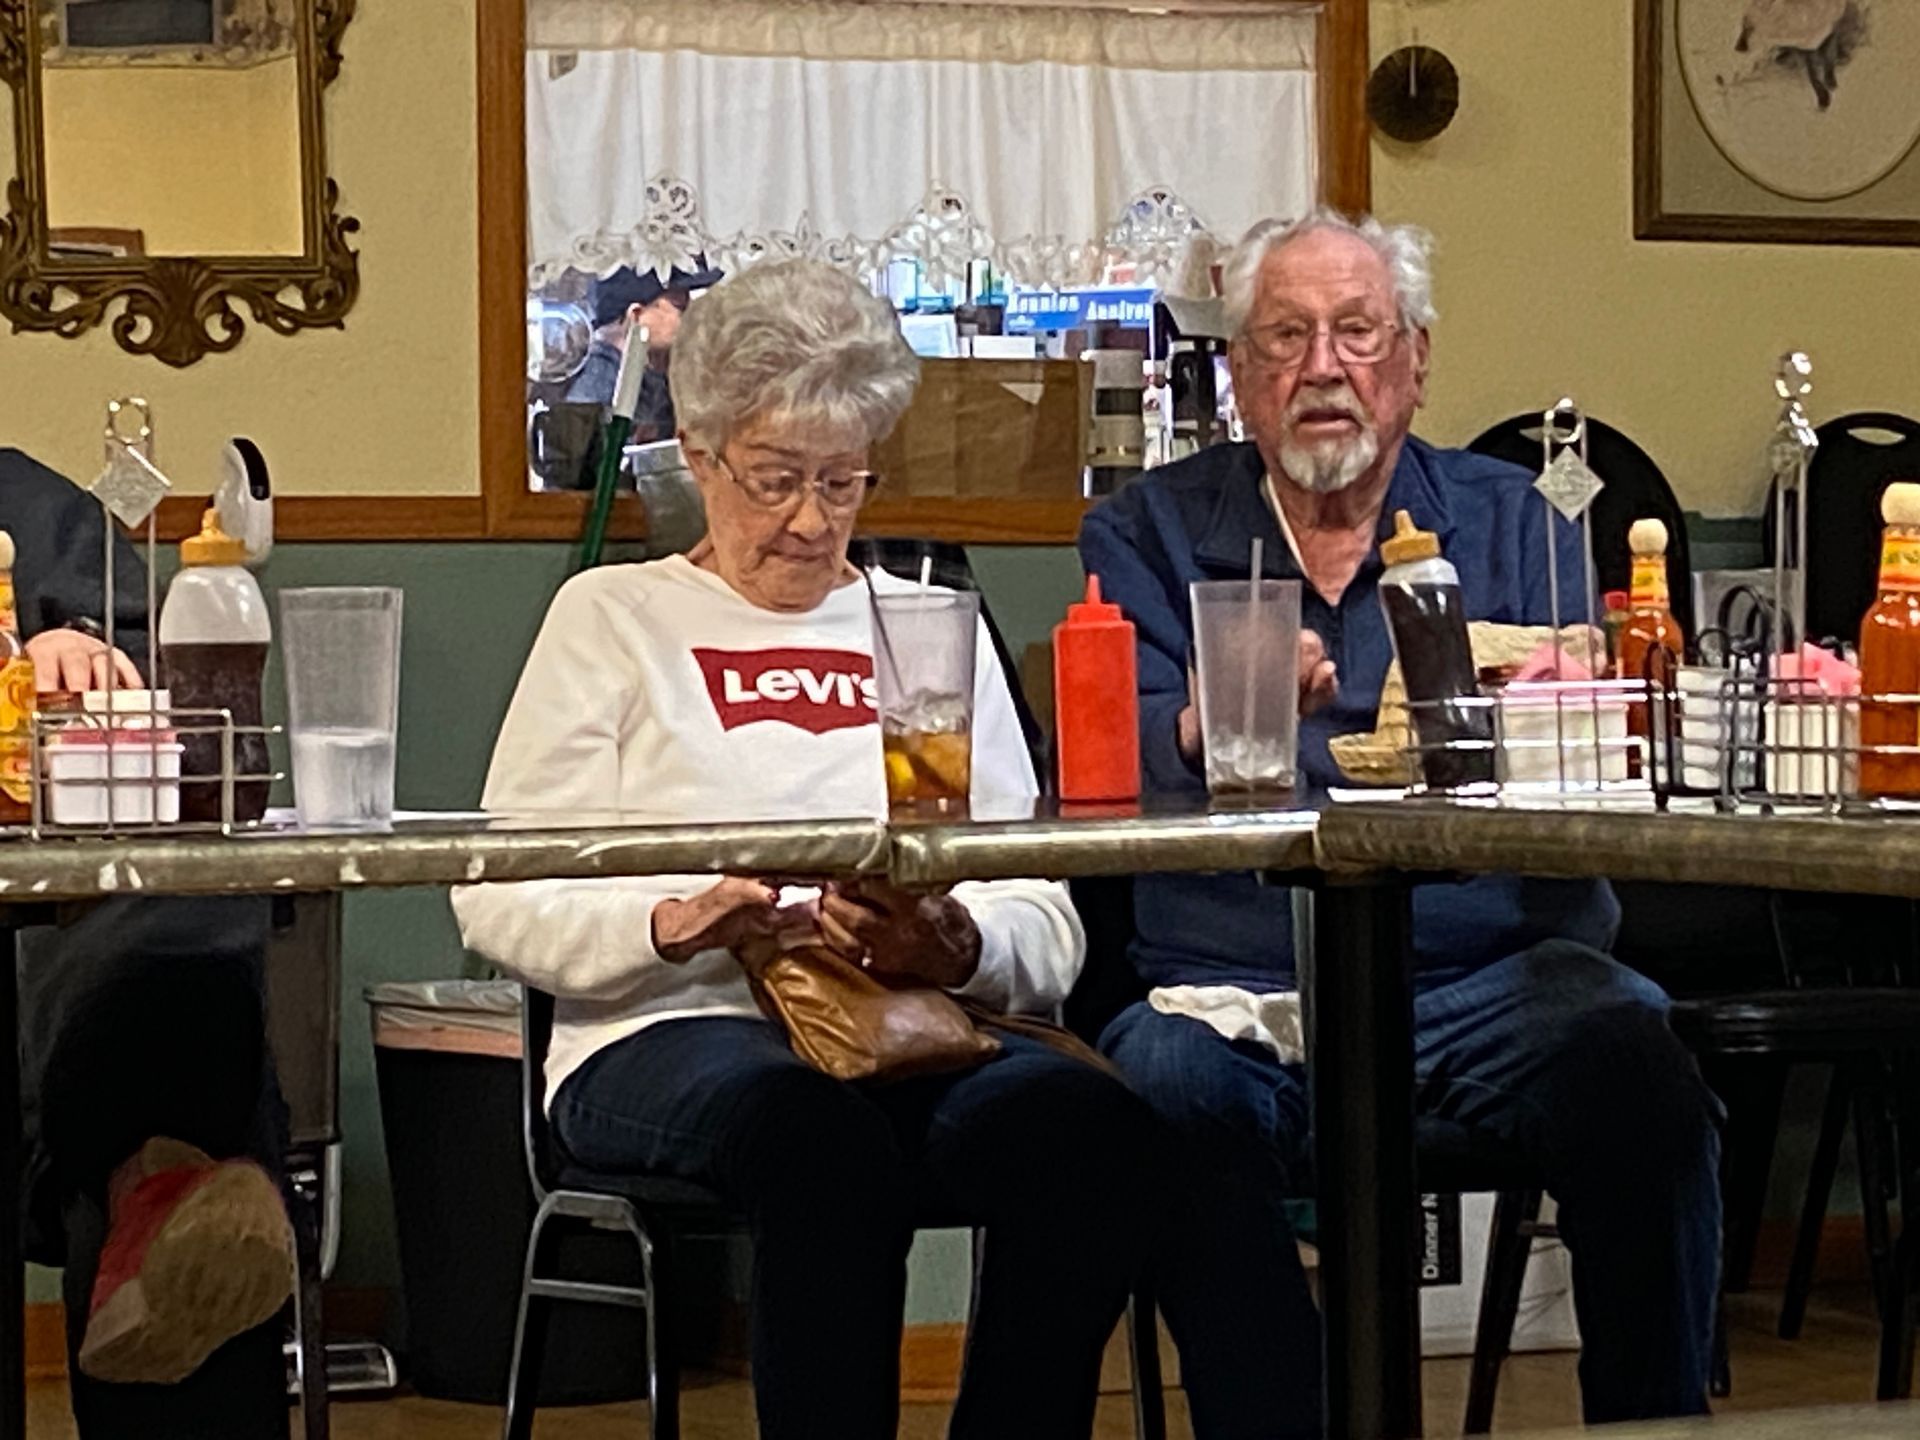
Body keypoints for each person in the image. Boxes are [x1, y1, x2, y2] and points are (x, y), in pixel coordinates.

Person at [456, 258, 1156, 1440]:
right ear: (699, 454)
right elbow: (498, 893)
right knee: (814, 1141)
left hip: (905, 1023)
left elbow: (1041, 912)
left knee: (1090, 1133)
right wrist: (673, 923)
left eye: (842, 481)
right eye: (776, 479)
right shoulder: (614, 619)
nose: (811, 521)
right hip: (670, 1028)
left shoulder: (926, 628)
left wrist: (954, 944)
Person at [1079, 211, 1723, 1437]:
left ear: (1415, 359)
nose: (1323, 367)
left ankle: (1652, 1426)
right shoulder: (1146, 532)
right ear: (1240, 374)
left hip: (1489, 975)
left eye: (1358, 332)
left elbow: (1588, 742)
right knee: (1161, 1098)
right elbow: (1114, 750)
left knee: (1640, 1073)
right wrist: (1215, 719)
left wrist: (1569, 707)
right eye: (1285, 336)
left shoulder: (1520, 520)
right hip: (1236, 985)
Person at [1, 447, 292, 1438]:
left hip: (68, 943)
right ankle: (159, 1187)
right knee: (157, 1122)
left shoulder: (24, 505)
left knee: (175, 915)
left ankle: (164, 1193)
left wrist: (74, 657)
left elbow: (158, 691)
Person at [565, 260, 722, 443]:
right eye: (681, 309)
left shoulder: (656, 375)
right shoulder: (598, 388)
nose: (692, 318)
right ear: (637, 315)